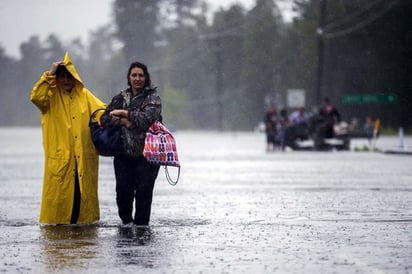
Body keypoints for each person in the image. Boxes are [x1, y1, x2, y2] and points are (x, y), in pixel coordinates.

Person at [30, 52, 106, 225]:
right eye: (62, 77)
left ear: (75, 78)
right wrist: (50, 73)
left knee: (83, 213)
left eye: (69, 76)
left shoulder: (85, 95)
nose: (66, 80)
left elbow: (102, 111)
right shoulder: (49, 98)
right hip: (60, 164)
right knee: (59, 213)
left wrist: (118, 116)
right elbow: (36, 97)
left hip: (83, 163)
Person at [100, 61, 162, 226]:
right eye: (134, 75)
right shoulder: (120, 97)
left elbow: (147, 119)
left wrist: (124, 114)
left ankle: (142, 230)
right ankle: (126, 225)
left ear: (146, 78)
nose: (137, 78)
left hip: (148, 156)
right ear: (129, 78)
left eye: (141, 75)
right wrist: (123, 122)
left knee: (144, 193)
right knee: (123, 194)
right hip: (123, 155)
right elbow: (104, 119)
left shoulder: (153, 98)